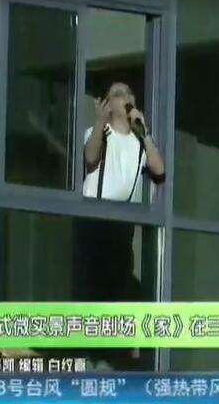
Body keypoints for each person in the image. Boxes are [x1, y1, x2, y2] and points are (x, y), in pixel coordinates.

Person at [73, 82, 165, 370]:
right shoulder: (99, 132)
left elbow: (159, 170)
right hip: (94, 219)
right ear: (109, 104)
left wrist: (145, 133)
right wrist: (99, 121)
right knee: (93, 288)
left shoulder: (139, 142)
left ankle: (111, 356)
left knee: (119, 287)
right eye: (116, 94)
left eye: (127, 94)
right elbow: (90, 156)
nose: (123, 98)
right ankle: (91, 355)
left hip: (122, 224)